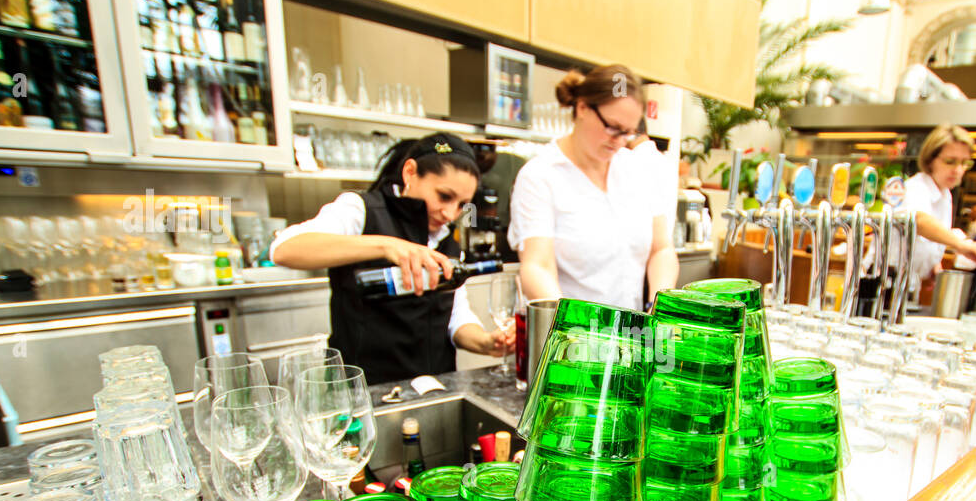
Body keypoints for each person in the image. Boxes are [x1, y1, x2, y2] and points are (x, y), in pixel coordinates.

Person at [270, 132, 513, 385]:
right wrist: (386, 246)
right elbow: (284, 249)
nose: (450, 213)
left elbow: (455, 317)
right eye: (444, 196)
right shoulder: (361, 211)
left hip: (430, 391)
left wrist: (486, 342)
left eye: (462, 204)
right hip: (365, 392)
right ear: (410, 172)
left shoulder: (446, 242)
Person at [510, 64, 678, 311]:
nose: (619, 142)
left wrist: (659, 305)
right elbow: (538, 266)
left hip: (630, 334)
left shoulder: (637, 170)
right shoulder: (540, 176)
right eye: (612, 127)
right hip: (573, 339)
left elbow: (661, 249)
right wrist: (574, 329)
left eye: (627, 133)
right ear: (582, 108)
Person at [902, 123, 976, 297]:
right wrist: (961, 245)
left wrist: (933, 264)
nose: (957, 170)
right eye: (950, 161)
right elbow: (919, 221)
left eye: (965, 163)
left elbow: (927, 242)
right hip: (882, 285)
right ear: (930, 160)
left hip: (910, 288)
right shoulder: (916, 187)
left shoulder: (945, 196)